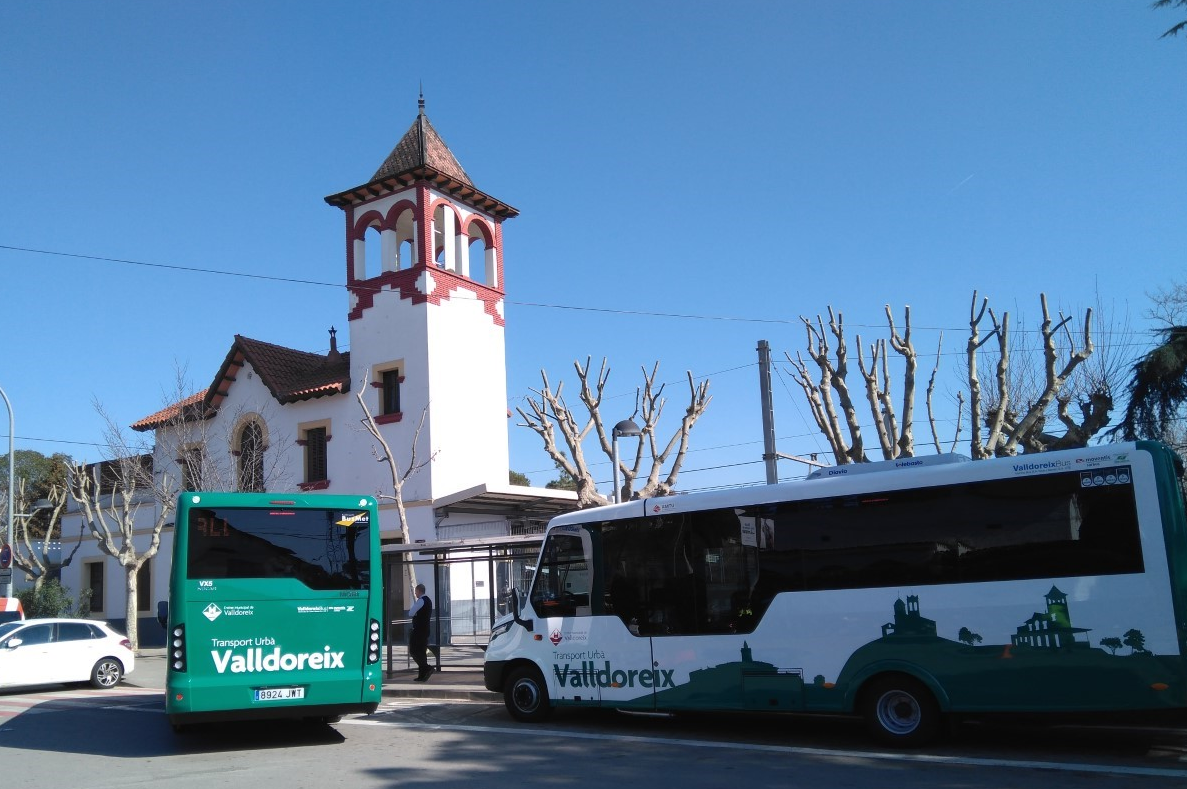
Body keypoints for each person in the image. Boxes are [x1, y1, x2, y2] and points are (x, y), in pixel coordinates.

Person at [408, 582, 433, 681]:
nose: (415, 594)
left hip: (418, 630)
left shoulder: (421, 601)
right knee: (422, 652)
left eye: (415, 592)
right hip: (426, 629)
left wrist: (416, 614)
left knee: (414, 650)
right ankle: (422, 675)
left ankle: (426, 668)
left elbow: (410, 613)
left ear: (418, 591)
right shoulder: (429, 600)